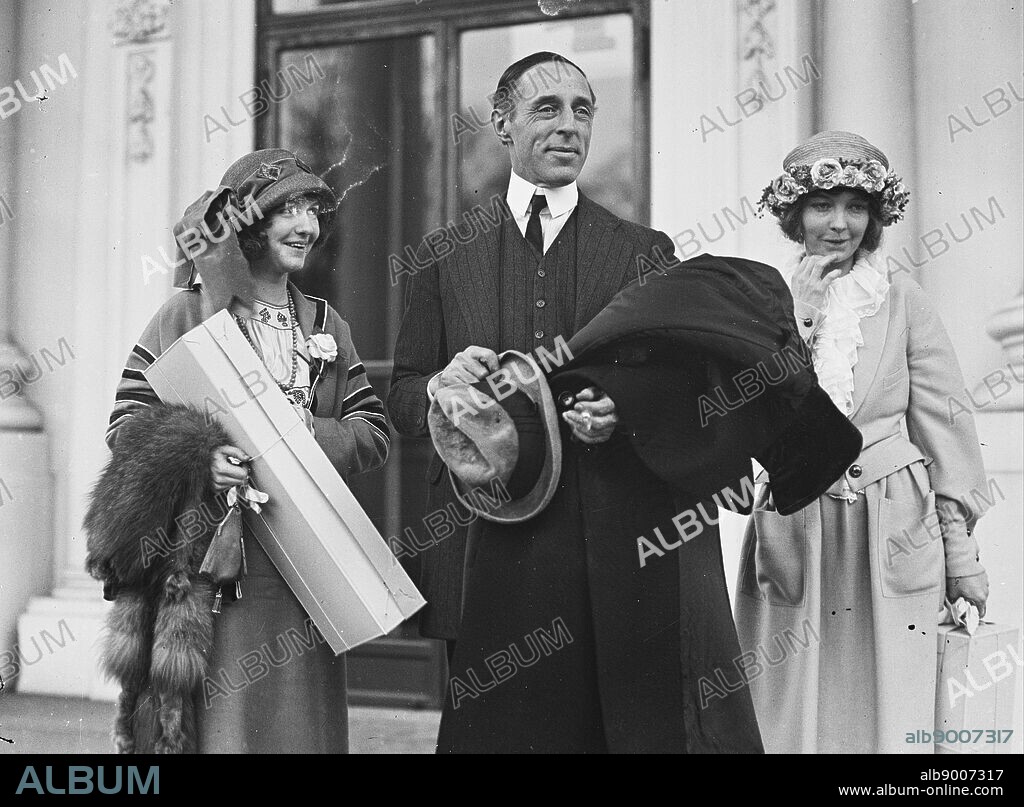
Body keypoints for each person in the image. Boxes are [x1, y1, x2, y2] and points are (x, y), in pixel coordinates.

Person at [388, 51, 762, 753]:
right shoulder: (445, 254)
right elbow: (402, 392)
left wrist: (622, 413)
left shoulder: (644, 252)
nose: (568, 126)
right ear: (502, 123)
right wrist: (440, 383)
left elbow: (682, 393)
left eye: (582, 109)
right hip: (490, 536)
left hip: (612, 540)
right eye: (546, 108)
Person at [97, 149, 389, 753]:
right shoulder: (186, 313)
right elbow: (127, 423)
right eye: (288, 210)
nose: (307, 225)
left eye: (313, 210)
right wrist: (199, 459)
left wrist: (310, 431)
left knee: (296, 728)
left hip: (305, 569)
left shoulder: (328, 326)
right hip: (210, 571)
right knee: (223, 728)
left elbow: (373, 430)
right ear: (249, 222)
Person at [735, 131, 990, 754]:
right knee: (786, 702)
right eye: (823, 205)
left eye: (857, 207)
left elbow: (946, 429)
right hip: (796, 520)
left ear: (875, 218)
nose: (840, 223)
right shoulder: (761, 300)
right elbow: (745, 408)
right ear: (795, 215)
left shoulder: (902, 299)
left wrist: (962, 557)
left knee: (893, 703)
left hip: (895, 522)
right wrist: (799, 315)